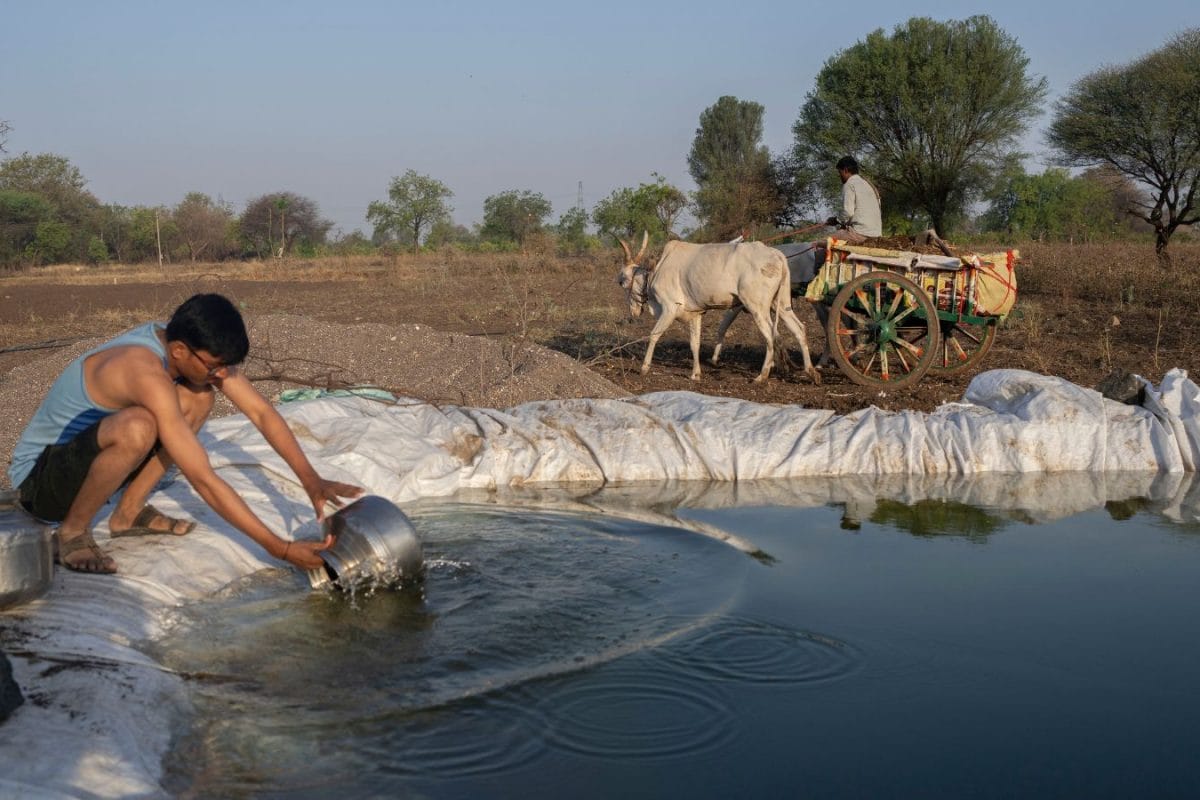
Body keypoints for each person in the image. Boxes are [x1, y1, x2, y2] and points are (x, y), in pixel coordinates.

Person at [7, 293, 362, 574]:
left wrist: (311, 480)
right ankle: (70, 534)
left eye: (225, 365)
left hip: (85, 467)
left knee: (198, 396)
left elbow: (261, 412)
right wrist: (279, 547)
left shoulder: (180, 343)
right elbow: (202, 477)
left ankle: (126, 514)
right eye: (214, 365)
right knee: (138, 427)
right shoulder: (142, 369)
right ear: (180, 350)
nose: (222, 373)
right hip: (39, 484)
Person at [824, 155, 882, 243]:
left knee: (823, 242)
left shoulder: (849, 184)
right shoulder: (868, 184)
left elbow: (848, 213)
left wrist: (836, 220)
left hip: (861, 233)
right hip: (877, 234)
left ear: (846, 170)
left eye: (840, 173)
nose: (840, 176)